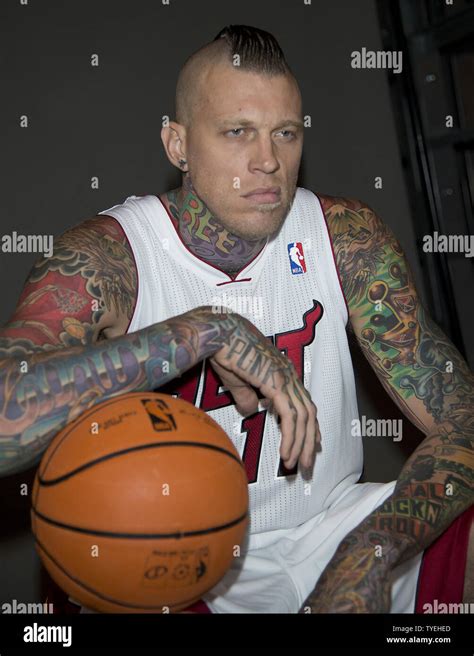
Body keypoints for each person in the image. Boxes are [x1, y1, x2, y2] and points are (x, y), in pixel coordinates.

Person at [0, 25, 472, 614]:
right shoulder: (108, 257)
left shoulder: (346, 236)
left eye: (285, 133)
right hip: (177, 552)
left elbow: (463, 420)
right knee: (86, 583)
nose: (268, 160)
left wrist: (372, 550)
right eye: (236, 132)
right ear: (177, 144)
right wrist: (203, 330)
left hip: (335, 529)